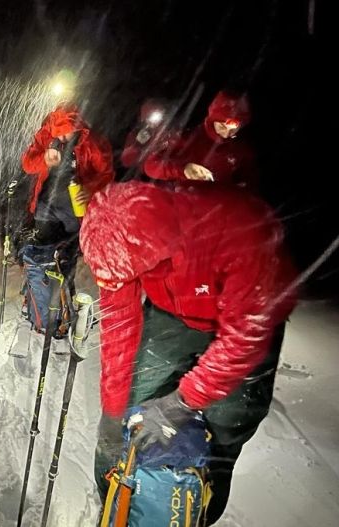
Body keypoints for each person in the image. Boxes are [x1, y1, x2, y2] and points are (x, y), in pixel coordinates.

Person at [79, 180, 298, 524]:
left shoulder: (242, 228)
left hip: (251, 322)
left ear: (156, 247)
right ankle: (117, 507)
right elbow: (119, 327)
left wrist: (181, 403)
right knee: (131, 414)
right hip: (174, 313)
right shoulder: (117, 242)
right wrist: (112, 411)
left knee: (228, 422)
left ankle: (199, 509)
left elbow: (243, 338)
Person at [18, 101, 114, 332]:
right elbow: (27, 164)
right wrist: (43, 159)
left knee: (65, 261)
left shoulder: (93, 141)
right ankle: (38, 304)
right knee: (40, 257)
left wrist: (90, 188)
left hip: (75, 210)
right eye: (57, 133)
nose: (62, 138)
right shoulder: (46, 136)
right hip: (46, 206)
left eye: (66, 132)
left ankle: (63, 308)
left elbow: (106, 173)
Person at [143, 90, 258, 189]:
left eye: (234, 129)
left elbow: (250, 182)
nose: (227, 133)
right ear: (213, 120)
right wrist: (183, 170)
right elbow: (151, 165)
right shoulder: (187, 137)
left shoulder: (240, 150)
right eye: (222, 126)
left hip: (217, 210)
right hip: (183, 204)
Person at [120, 98, 175, 174]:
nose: (152, 120)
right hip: (144, 176)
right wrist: (137, 145)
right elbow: (126, 161)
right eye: (148, 117)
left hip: (166, 175)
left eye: (155, 115)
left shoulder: (170, 132)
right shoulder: (136, 134)